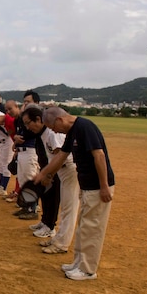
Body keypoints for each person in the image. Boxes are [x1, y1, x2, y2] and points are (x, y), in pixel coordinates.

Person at [33, 107, 115, 280]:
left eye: (52, 127)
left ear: (59, 120)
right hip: (87, 186)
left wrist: (104, 185)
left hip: (97, 187)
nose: (53, 131)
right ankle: (79, 263)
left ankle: (87, 269)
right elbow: (61, 156)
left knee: (92, 228)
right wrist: (44, 173)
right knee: (83, 227)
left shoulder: (84, 127)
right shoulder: (72, 132)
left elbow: (99, 155)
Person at [21, 106, 80, 254]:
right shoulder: (44, 134)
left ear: (39, 120)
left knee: (68, 208)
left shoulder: (52, 134)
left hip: (69, 170)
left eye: (29, 123)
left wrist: (48, 175)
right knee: (65, 209)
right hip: (61, 171)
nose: (27, 127)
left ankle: (62, 244)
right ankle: (58, 239)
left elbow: (61, 157)